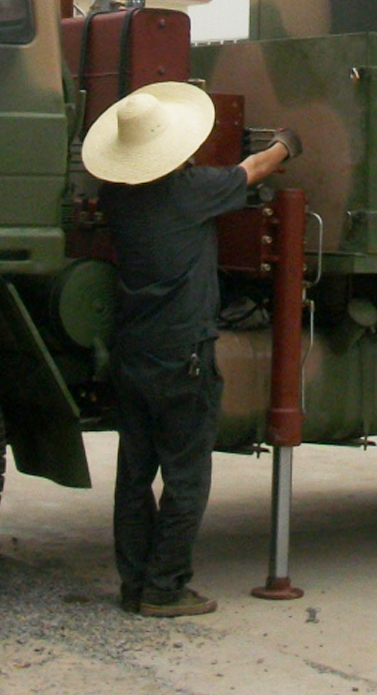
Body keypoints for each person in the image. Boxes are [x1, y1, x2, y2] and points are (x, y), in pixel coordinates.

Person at [82, 81, 298, 619]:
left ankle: (135, 583)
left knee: (134, 475)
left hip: (133, 351)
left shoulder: (118, 197)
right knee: (185, 476)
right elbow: (253, 172)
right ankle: (166, 587)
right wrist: (285, 145)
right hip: (185, 354)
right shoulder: (190, 191)